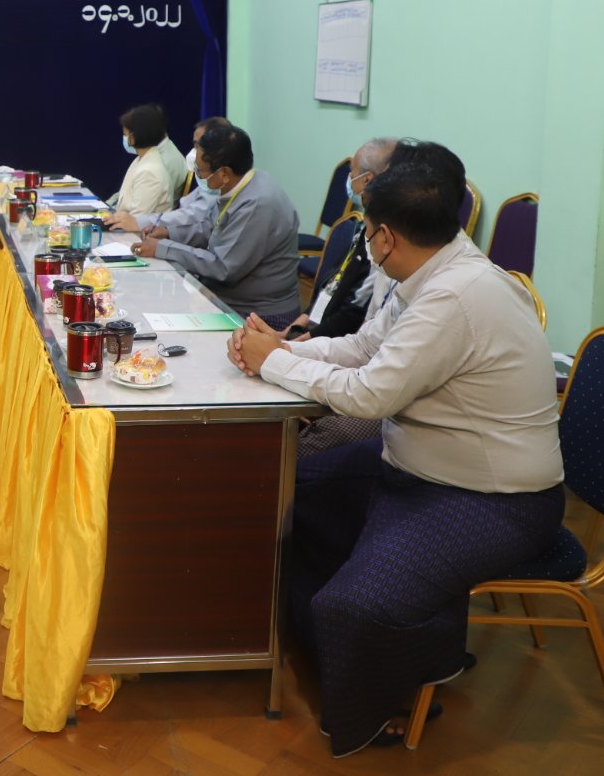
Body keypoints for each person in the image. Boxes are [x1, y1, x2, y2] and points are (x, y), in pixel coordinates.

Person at [227, 144, 563, 757]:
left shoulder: (454, 297)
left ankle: (394, 695)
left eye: (366, 228)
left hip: (493, 498)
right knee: (291, 490)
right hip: (418, 465)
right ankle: (331, 646)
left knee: (355, 604)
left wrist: (273, 362)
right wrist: (282, 349)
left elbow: (369, 394)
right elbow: (363, 348)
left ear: (384, 237)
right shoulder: (431, 270)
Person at [127, 123, 302, 325]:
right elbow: (210, 227)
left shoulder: (257, 204)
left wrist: (163, 248)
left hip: (260, 315)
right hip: (230, 298)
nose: (198, 176)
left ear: (224, 173)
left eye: (200, 171)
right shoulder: (241, 184)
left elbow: (223, 267)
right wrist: (169, 233)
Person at [285, 137, 398, 343]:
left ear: (367, 180)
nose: (349, 178)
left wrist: (294, 345)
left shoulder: (381, 241)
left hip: (336, 341)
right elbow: (335, 284)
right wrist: (292, 329)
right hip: (318, 332)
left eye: (352, 172)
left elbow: (352, 313)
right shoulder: (363, 228)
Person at [106, 117, 226, 235]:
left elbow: (190, 217)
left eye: (199, 146)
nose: (195, 151)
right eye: (195, 145)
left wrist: (138, 222)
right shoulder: (208, 182)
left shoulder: (159, 164)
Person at [107, 103, 189, 216]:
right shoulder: (142, 159)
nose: (124, 137)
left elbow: (136, 219)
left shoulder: (150, 171)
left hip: (136, 227)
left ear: (133, 137)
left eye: (125, 133)